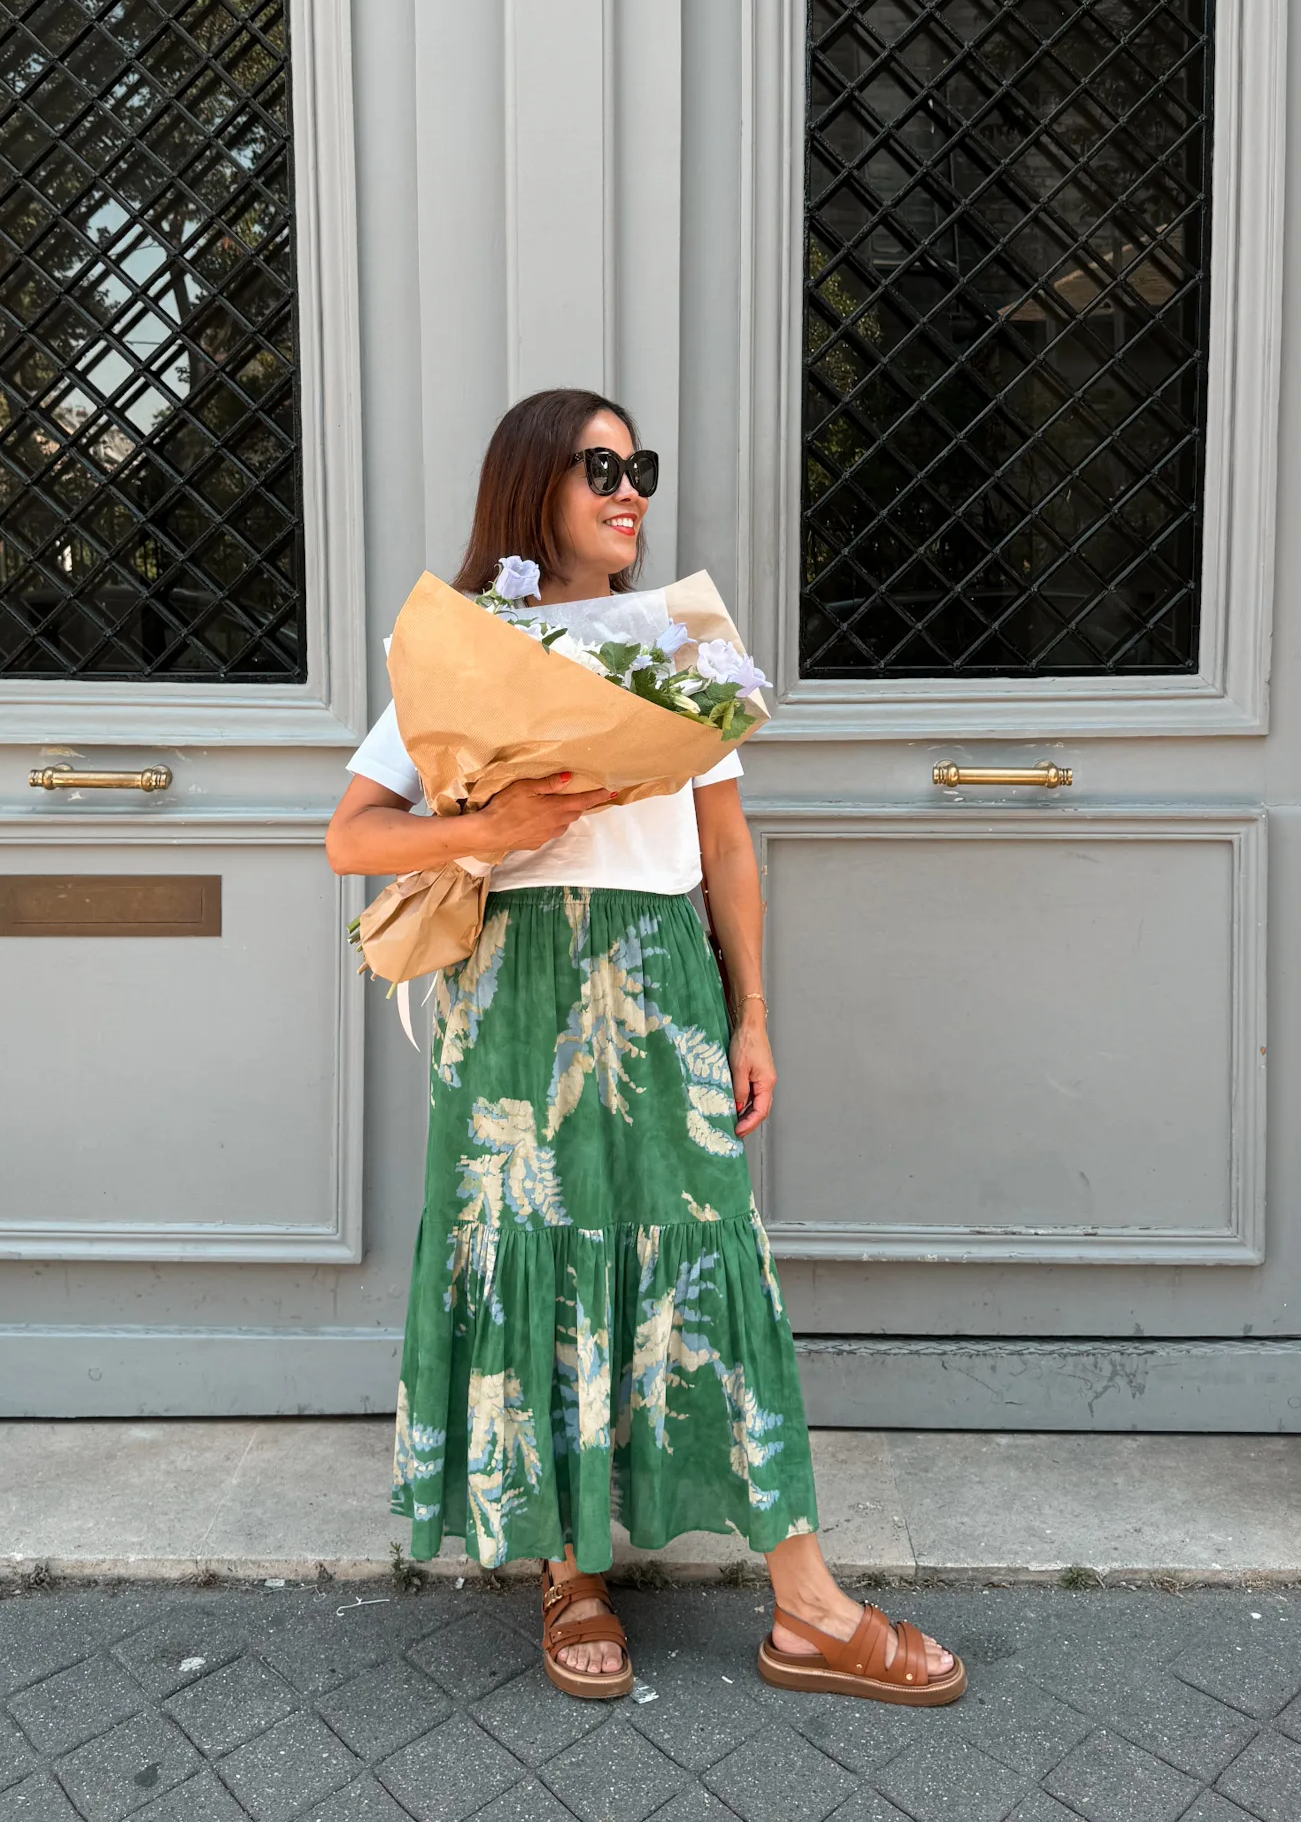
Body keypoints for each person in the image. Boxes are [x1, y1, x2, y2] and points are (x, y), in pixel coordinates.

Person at [326, 388, 964, 1705]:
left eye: (640, 467)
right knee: (544, 1257)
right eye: (600, 467)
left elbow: (726, 847)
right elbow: (352, 836)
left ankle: (804, 1604)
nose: (630, 491)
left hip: (661, 974)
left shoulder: (677, 643)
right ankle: (570, 1574)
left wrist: (753, 1013)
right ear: (532, 489)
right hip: (509, 991)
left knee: (713, 1262)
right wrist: (483, 828)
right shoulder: (454, 641)